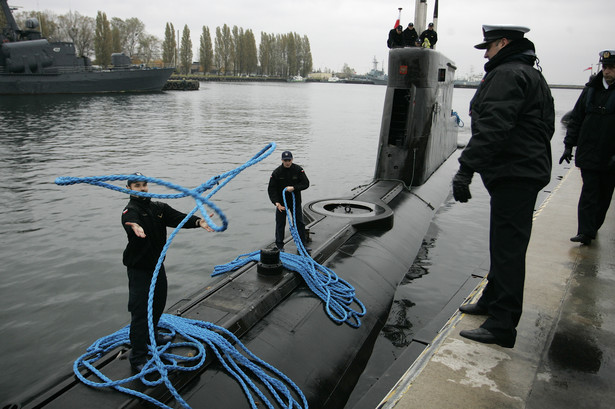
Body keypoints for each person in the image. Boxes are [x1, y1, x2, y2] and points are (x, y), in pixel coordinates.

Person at [451, 25, 555, 348]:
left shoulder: (508, 74)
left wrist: (465, 168)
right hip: (520, 171)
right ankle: (491, 300)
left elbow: (494, 126)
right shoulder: (528, 73)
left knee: (508, 248)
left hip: (515, 173)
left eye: (489, 46)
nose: (485, 54)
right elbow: (547, 127)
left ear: (504, 43)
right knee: (503, 242)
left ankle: (502, 324)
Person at [121, 172, 213, 371]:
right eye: (137, 185)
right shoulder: (130, 211)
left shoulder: (158, 208)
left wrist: (198, 222)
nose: (143, 188)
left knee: (158, 302)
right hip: (139, 269)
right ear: (129, 189)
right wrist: (134, 227)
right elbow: (129, 221)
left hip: (156, 266)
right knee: (140, 312)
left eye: (144, 184)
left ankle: (151, 335)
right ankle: (137, 357)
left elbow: (178, 217)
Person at [559, 50, 615, 245]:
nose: (607, 72)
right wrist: (568, 146)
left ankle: (594, 226)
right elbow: (576, 119)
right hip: (589, 152)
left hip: (610, 155)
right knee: (589, 192)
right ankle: (585, 231)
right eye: (605, 67)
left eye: (611, 68)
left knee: (604, 194)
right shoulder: (590, 89)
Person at [267, 151, 310, 251]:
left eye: (289, 160)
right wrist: (276, 203)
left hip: (295, 202)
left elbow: (306, 183)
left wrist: (294, 188)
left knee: (299, 222)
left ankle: (302, 245)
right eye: (285, 160)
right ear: (282, 160)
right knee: (280, 224)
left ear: (292, 159)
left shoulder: (298, 170)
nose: (287, 162)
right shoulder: (276, 172)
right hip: (282, 203)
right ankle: (279, 245)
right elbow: (271, 189)